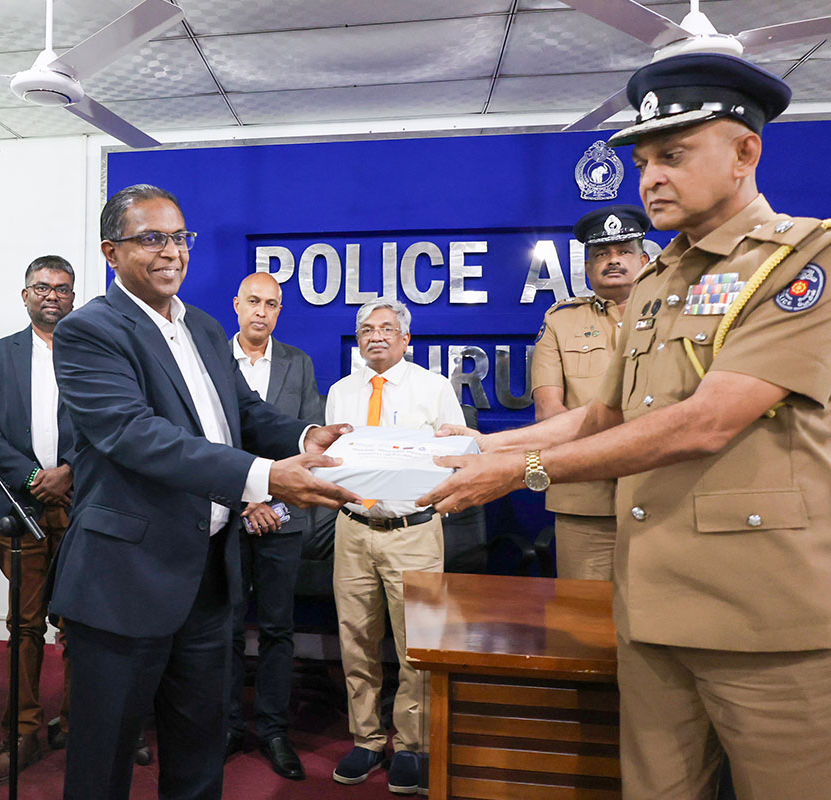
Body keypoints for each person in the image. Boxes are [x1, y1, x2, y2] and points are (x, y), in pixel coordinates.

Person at [422, 53, 831, 799]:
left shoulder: (802, 261)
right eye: (643, 162)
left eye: (673, 155)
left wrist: (521, 470)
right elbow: (604, 415)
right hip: (650, 609)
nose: (650, 179)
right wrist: (481, 444)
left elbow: (706, 422)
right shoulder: (657, 283)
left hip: (761, 619)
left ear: (745, 152)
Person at [50, 183, 359, 800]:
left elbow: (242, 411)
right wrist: (266, 477)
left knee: (199, 754)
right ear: (111, 252)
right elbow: (136, 435)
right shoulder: (89, 330)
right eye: (151, 238)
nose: (171, 251)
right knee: (103, 761)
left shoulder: (205, 327)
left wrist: (306, 434)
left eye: (179, 237)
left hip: (210, 578)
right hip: (125, 580)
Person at [324, 298, 464, 794]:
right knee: (355, 639)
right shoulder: (340, 392)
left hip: (413, 530)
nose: (376, 336)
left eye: (386, 328)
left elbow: (457, 454)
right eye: (367, 329)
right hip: (353, 527)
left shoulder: (434, 387)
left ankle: (412, 745)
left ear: (406, 338)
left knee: (415, 645)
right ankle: (366, 738)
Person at [0, 254, 76, 785]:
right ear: (25, 294)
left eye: (61, 287)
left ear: (73, 296)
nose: (51, 295)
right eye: (41, 287)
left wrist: (70, 471)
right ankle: (22, 732)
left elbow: (113, 422)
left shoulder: (94, 352)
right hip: (20, 507)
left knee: (81, 625)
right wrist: (36, 477)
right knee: (25, 625)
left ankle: (81, 725)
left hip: (81, 505)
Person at [225, 272, 324, 781]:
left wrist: (273, 503)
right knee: (223, 629)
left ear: (280, 311)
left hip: (282, 519)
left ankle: (272, 729)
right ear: (237, 305)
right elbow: (204, 442)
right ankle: (224, 726)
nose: (261, 311)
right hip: (225, 516)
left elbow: (307, 446)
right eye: (254, 301)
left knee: (278, 630)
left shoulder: (298, 363)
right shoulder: (211, 361)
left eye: (271, 304)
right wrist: (245, 500)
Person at [530, 205, 650, 580]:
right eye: (601, 254)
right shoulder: (560, 320)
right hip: (585, 498)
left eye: (624, 251)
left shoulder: (674, 316)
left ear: (644, 261)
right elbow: (548, 411)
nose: (613, 260)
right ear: (587, 267)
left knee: (662, 608)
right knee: (583, 609)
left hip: (660, 492)